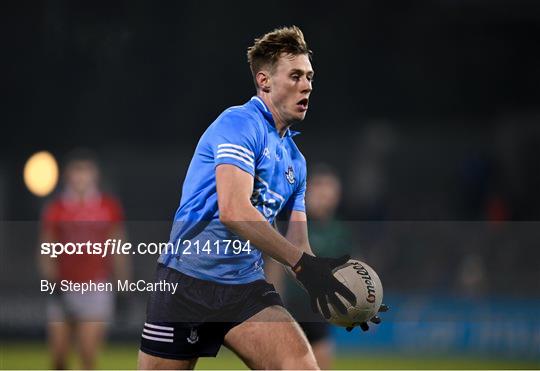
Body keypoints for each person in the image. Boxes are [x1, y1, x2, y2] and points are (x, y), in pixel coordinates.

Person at [138, 26, 386, 370]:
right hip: (187, 282)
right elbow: (234, 211)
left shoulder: (295, 161)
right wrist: (302, 263)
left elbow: (298, 244)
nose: (307, 85)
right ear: (264, 81)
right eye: (296, 75)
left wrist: (331, 286)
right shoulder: (239, 124)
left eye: (310, 77)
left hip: (244, 287)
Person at [39, 150, 129, 369]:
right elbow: (46, 248)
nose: (81, 178)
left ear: (94, 175)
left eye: (85, 172)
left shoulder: (108, 207)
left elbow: (119, 248)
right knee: (59, 358)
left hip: (96, 287)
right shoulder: (57, 209)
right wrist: (51, 280)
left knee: (87, 354)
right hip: (64, 286)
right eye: (77, 173)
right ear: (68, 176)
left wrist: (123, 287)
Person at [265, 164, 352, 369]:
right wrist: (273, 305)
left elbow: (352, 266)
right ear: (309, 190)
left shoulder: (339, 230)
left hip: (318, 311)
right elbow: (275, 264)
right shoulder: (292, 220)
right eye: (319, 188)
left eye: (329, 190)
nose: (324, 195)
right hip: (289, 309)